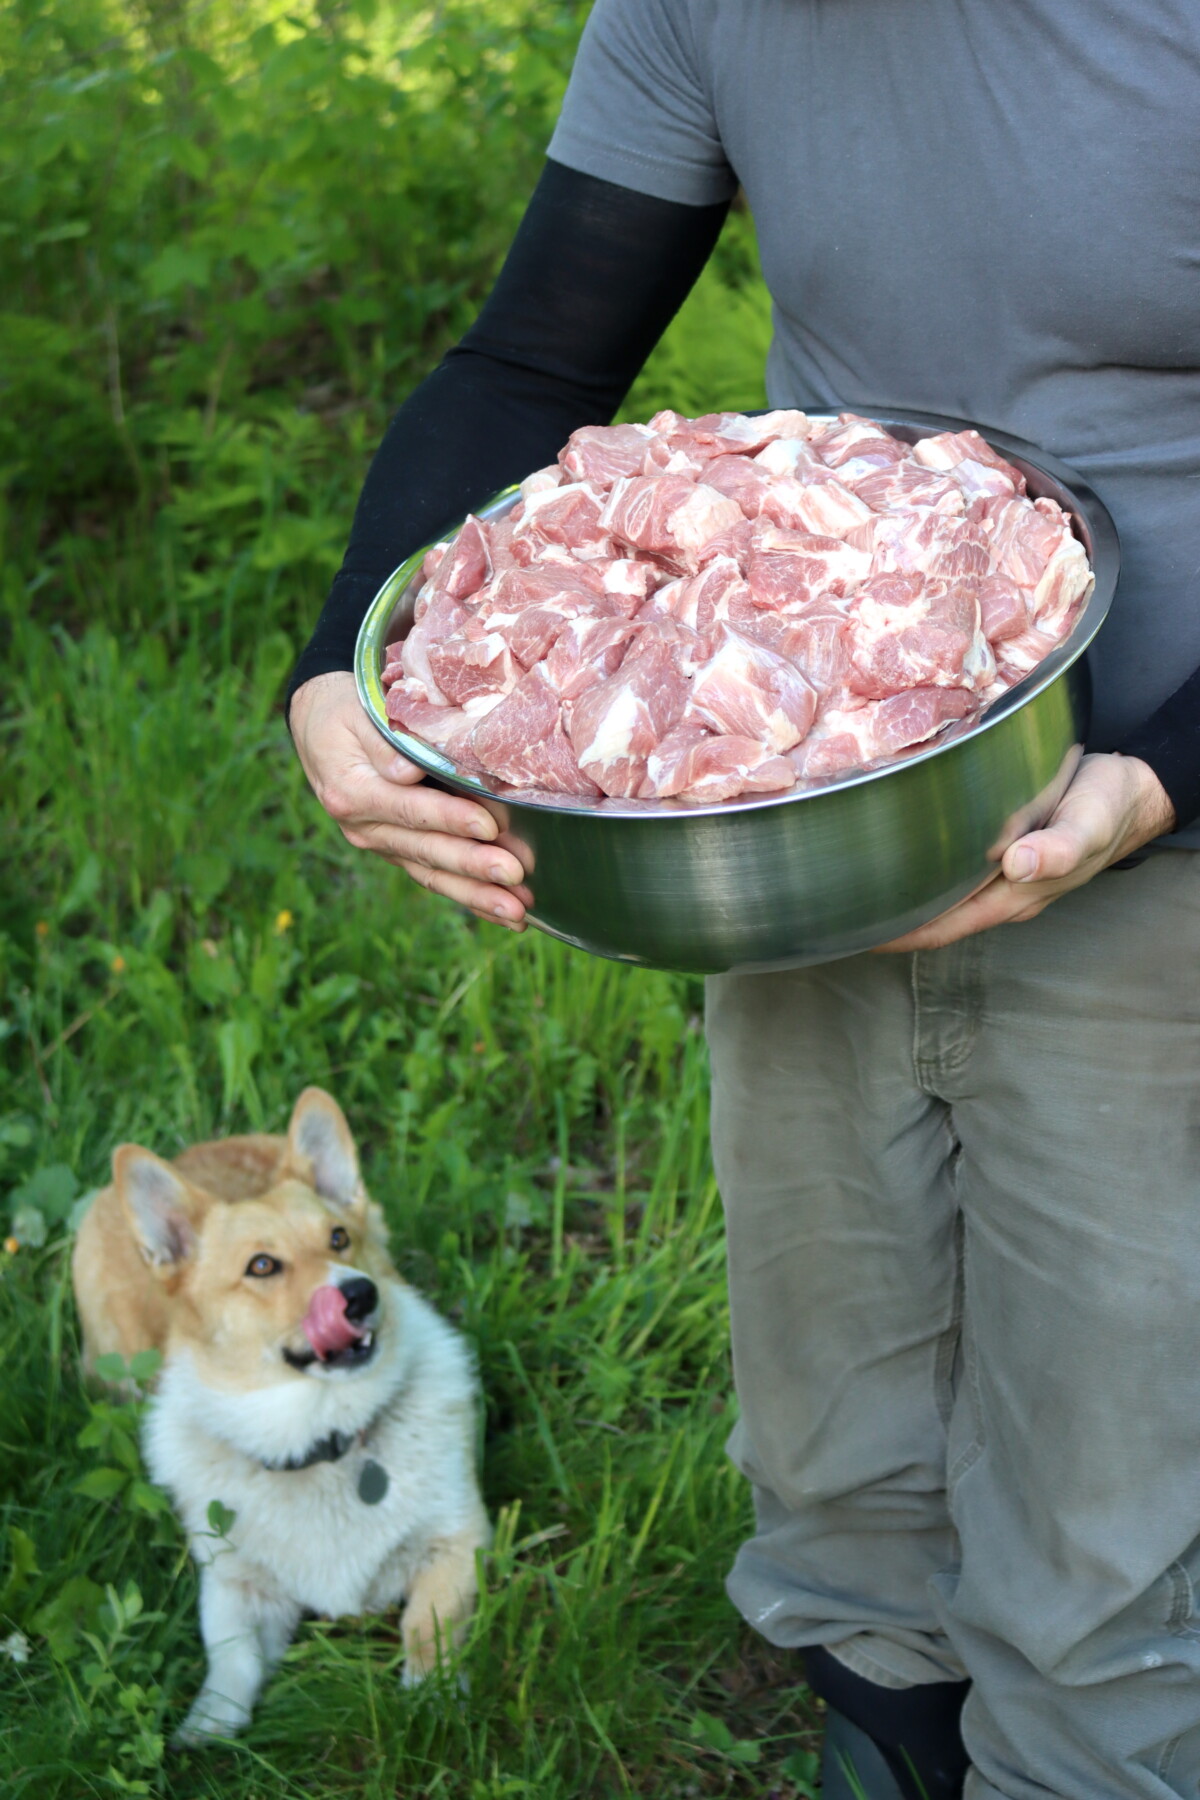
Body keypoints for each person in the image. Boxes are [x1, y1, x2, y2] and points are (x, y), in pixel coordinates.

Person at [287, 5, 1200, 1794]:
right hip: (813, 815)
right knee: (838, 1453)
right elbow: (534, 357)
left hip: (1159, 828)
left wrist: (1164, 776)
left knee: (1109, 1524)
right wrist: (339, 665)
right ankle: (892, 1752)